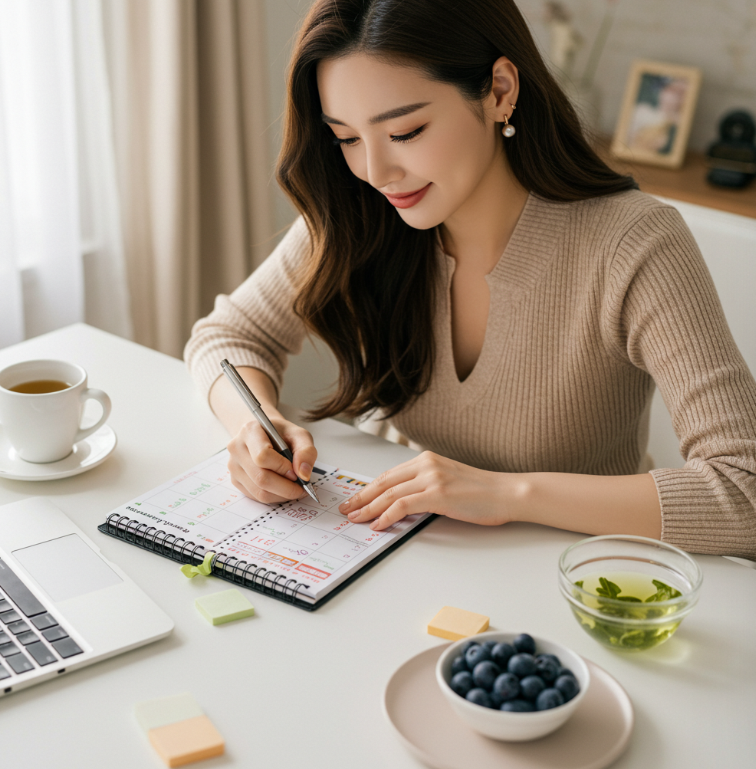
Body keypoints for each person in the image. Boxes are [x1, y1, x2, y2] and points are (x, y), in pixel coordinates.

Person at [185, 0, 756, 560]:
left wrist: (507, 495)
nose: (376, 172)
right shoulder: (362, 213)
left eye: (405, 131)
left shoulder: (633, 243)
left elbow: (744, 488)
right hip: (399, 552)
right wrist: (254, 425)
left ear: (500, 91)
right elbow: (228, 336)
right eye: (347, 138)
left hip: (575, 574)